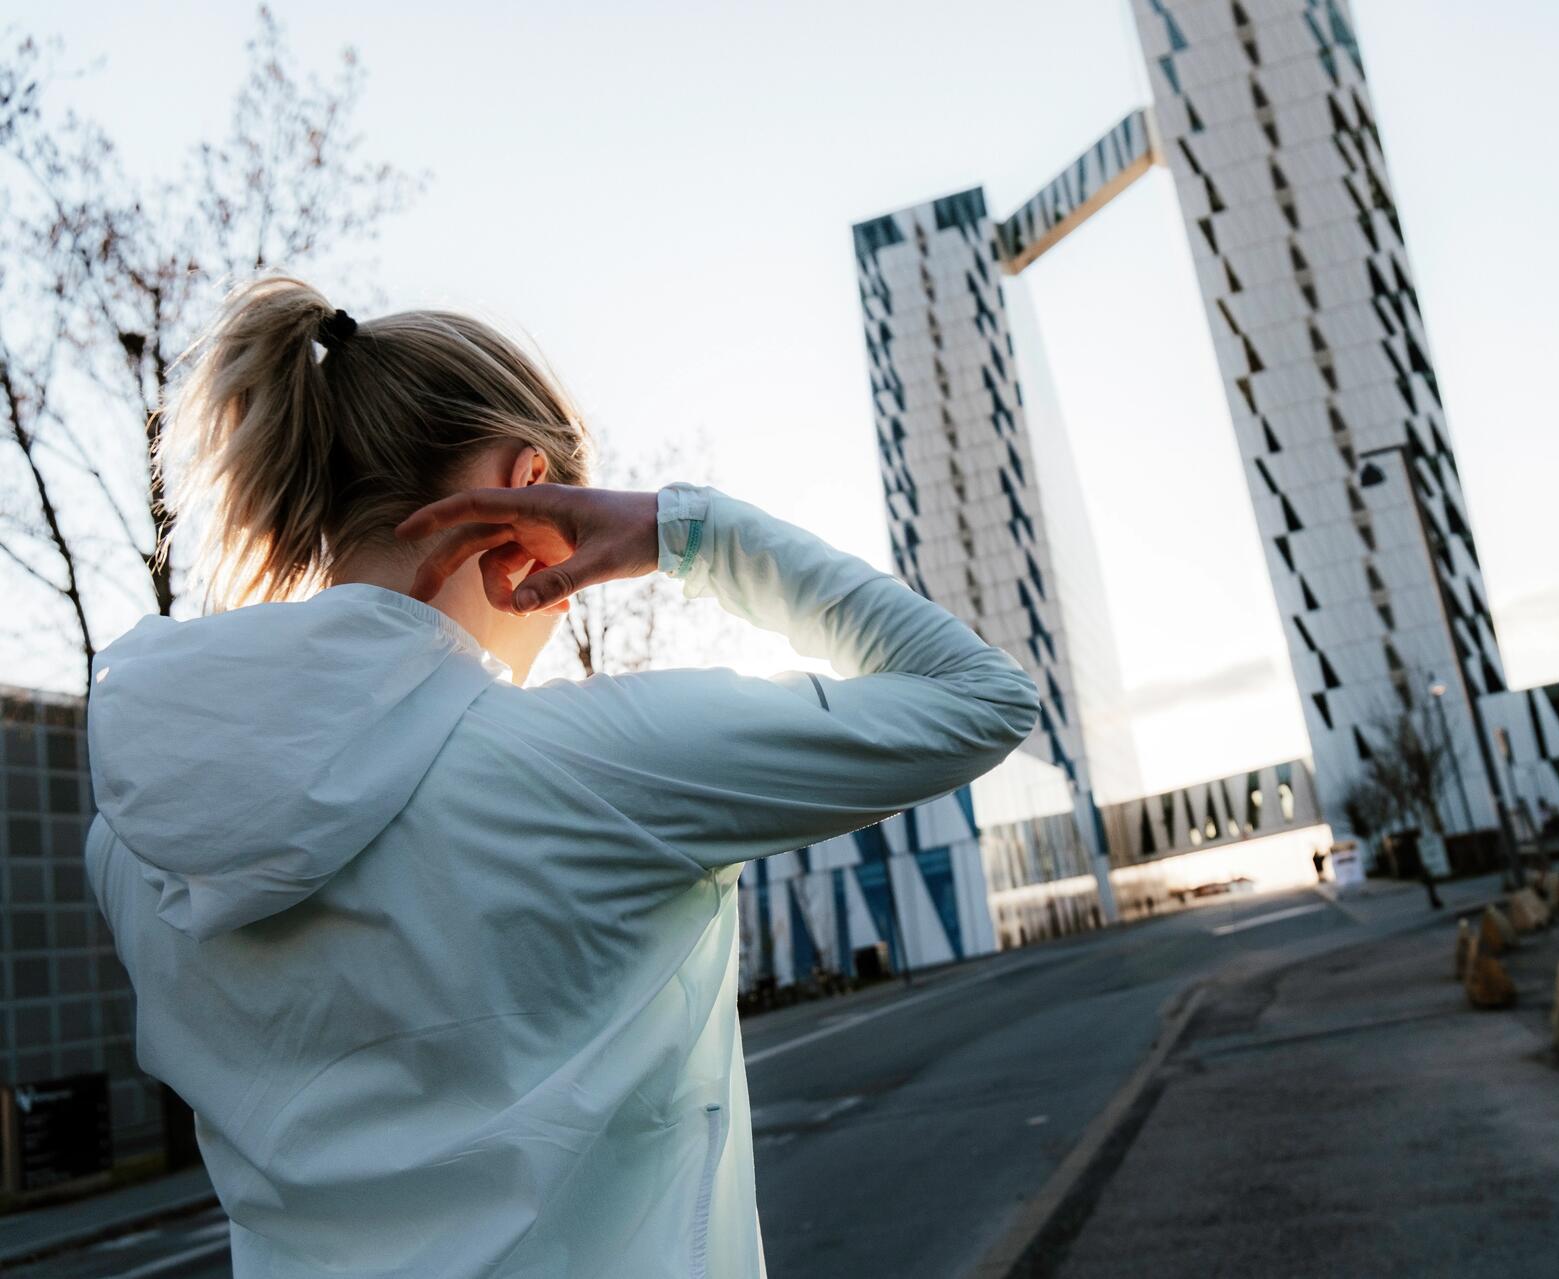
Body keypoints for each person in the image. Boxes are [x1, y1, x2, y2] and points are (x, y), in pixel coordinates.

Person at [84, 276, 1040, 1277]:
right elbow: (979, 698)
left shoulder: (138, 842)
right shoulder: (591, 769)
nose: (572, 602)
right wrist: (687, 533)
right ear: (531, 492)